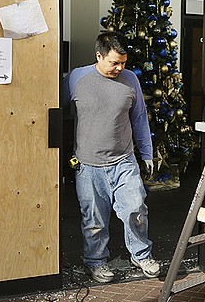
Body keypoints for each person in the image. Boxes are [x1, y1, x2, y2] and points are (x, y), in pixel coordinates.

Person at [63, 32, 159, 283]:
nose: (120, 68)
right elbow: (56, 109)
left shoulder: (131, 81)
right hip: (88, 163)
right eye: (114, 62)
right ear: (99, 56)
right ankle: (96, 262)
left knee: (136, 208)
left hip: (123, 160)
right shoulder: (77, 78)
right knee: (93, 218)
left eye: (124, 63)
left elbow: (139, 118)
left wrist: (147, 153)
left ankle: (141, 254)